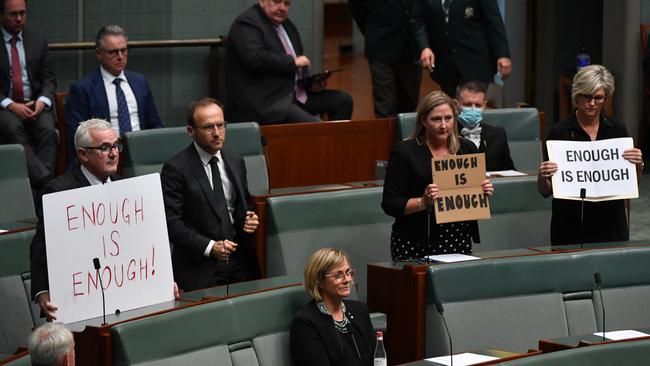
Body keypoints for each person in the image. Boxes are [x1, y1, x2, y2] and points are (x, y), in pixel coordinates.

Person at [161, 98, 261, 291]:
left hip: (240, 261)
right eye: (208, 127)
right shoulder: (175, 169)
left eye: (221, 125)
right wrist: (210, 247)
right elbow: (171, 223)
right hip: (201, 265)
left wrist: (249, 221)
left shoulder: (235, 160)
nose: (217, 133)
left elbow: (242, 207)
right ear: (191, 131)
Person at [538, 65, 644, 245]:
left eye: (598, 98)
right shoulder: (559, 132)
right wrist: (543, 175)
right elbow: (545, 190)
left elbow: (631, 184)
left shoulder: (617, 129)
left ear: (606, 99)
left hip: (611, 223)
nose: (592, 103)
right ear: (576, 96)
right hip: (571, 225)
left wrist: (638, 166)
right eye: (587, 96)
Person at [382, 91, 494, 259]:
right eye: (436, 119)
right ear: (423, 120)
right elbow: (390, 204)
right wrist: (423, 201)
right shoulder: (405, 152)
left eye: (448, 118)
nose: (444, 125)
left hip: (458, 237)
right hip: (415, 240)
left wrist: (483, 190)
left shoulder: (468, 148)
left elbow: (470, 197)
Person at [30, 119, 122, 320]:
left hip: (120, 295)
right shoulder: (59, 191)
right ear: (83, 154)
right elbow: (41, 246)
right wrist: (42, 292)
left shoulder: (123, 187)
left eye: (116, 146)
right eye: (105, 148)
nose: (114, 153)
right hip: (77, 300)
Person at [225, 0, 353, 124]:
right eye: (277, 1)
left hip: (294, 95)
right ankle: (326, 144)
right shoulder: (247, 23)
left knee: (343, 100)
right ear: (262, 1)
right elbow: (254, 58)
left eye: (287, 3)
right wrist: (292, 62)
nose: (282, 7)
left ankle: (337, 146)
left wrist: (310, 83)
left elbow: (297, 65)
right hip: (267, 102)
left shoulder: (287, 25)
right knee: (315, 127)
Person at [65, 24, 163, 140]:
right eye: (113, 52)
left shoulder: (139, 82)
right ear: (98, 53)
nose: (120, 57)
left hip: (142, 149)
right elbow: (78, 136)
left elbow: (155, 123)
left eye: (123, 50)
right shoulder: (83, 88)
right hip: (106, 152)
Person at [0, 0, 57, 192]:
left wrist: (42, 102)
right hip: (5, 106)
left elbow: (49, 79)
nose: (19, 18)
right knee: (13, 128)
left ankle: (40, 191)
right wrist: (11, 105)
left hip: (34, 105)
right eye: (13, 14)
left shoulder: (37, 39)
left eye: (22, 13)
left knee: (48, 129)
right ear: (1, 15)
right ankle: (46, 185)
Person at [290, 248, 375, 366]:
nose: (348, 280)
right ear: (319, 280)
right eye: (338, 275)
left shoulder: (360, 310)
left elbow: (377, 358)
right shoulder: (305, 323)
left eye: (348, 272)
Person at [412, 0, 512, 97]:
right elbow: (418, 20)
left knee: (470, 109)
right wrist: (424, 47)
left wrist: (502, 54)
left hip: (475, 61)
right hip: (445, 65)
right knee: (452, 108)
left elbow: (493, 21)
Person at [349, 0, 421, 118]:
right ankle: (386, 136)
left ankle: (405, 136)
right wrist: (372, 32)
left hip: (412, 46)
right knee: (385, 106)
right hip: (381, 44)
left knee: (409, 103)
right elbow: (357, 8)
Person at [456, 80, 515, 171]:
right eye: (468, 104)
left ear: (484, 106)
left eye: (478, 105)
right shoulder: (446, 134)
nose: (473, 109)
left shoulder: (498, 135)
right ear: (456, 105)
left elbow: (510, 171)